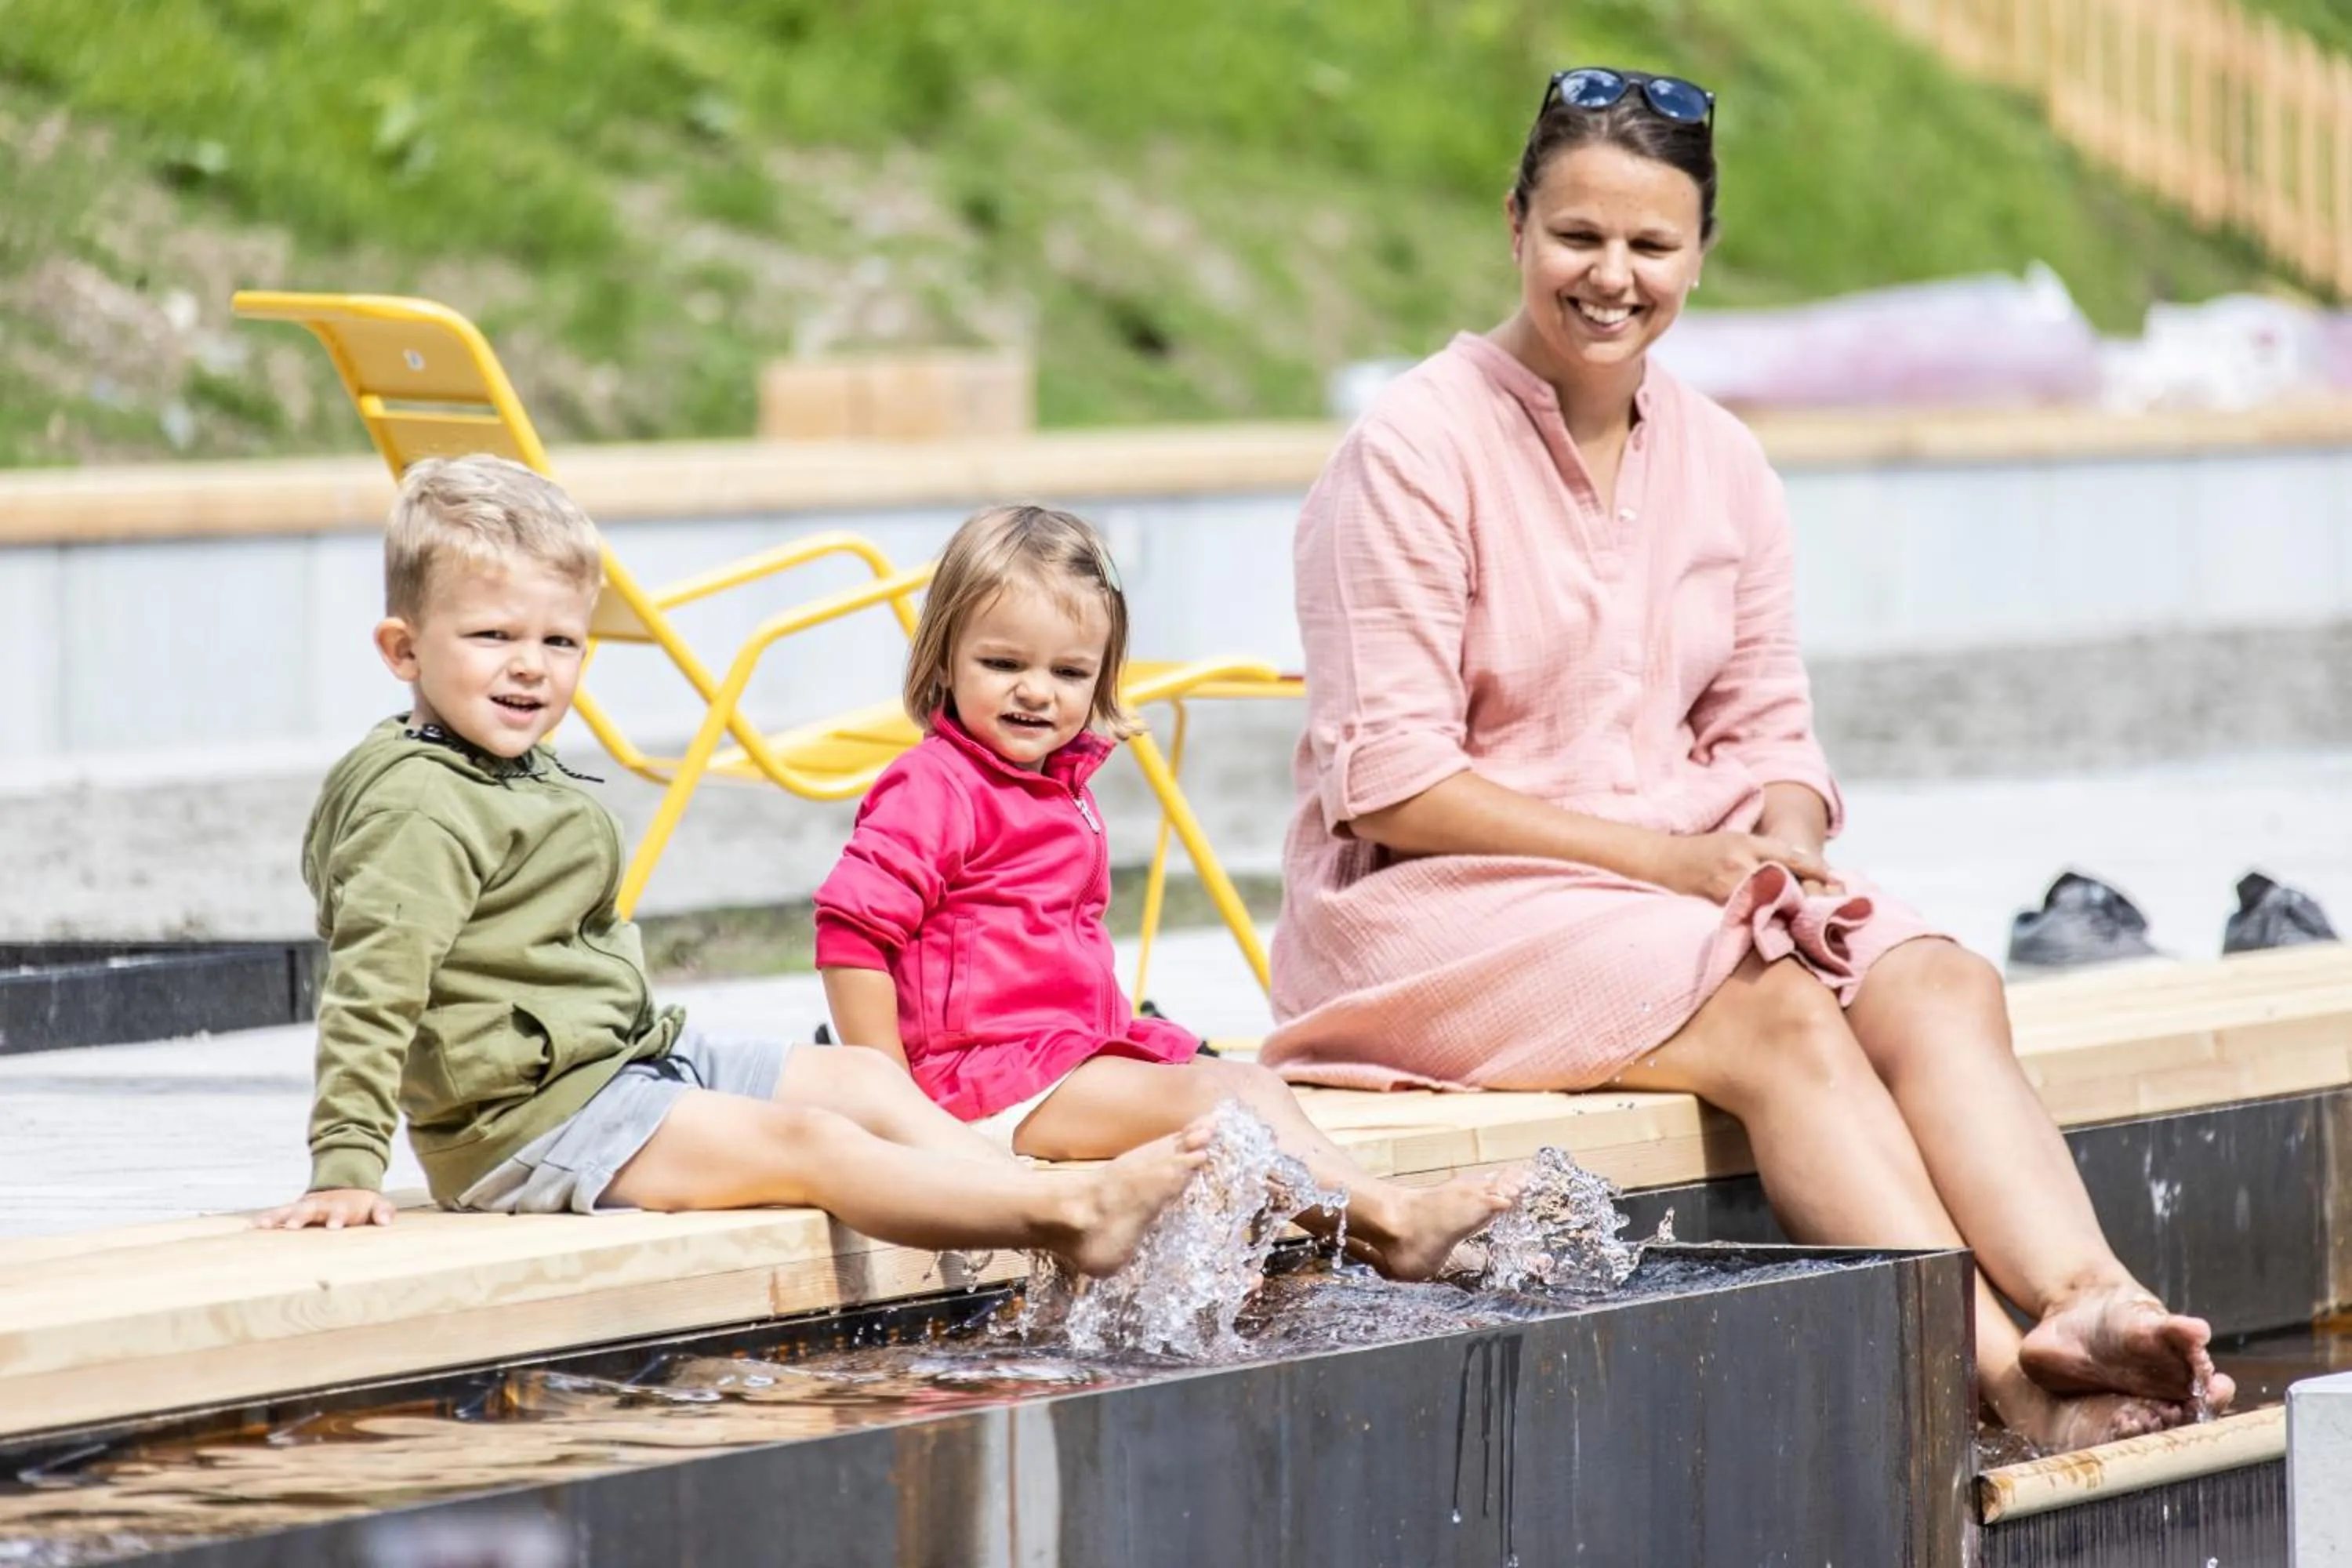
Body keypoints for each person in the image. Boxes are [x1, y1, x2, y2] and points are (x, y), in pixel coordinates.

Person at [1258, 67, 2233, 1450]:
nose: (1612, 276)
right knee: (1778, 1009)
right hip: (1432, 906)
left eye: (1651, 245)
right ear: (1514, 223)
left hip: (1668, 888)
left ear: (1700, 253)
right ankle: (2002, 1380)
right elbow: (1395, 787)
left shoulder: (1721, 460)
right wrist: (1678, 861)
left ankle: (2090, 1301)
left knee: (1939, 978)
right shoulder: (1416, 446)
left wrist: (1785, 829)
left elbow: (1771, 723)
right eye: (1577, 236)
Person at [256, 454, 1209, 1276]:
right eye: (493, 637)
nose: (530, 668)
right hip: (531, 1127)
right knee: (814, 1142)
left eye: (559, 641)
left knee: (869, 1083)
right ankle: (1066, 1216)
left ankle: (1009, 1193)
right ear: (402, 647)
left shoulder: (503, 769)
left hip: (622, 1066)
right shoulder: (421, 803)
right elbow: (373, 986)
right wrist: (346, 1164)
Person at [814, 503, 1521, 1280]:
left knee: (1243, 1086)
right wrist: (890, 1100)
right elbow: (852, 930)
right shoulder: (934, 785)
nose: (1037, 692)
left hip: (1054, 1056)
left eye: (1070, 672)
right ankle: (1389, 1222)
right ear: (944, 659)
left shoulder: (1053, 788)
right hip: (977, 1080)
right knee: (1218, 1102)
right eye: (1004, 663)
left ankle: (1368, 1224)